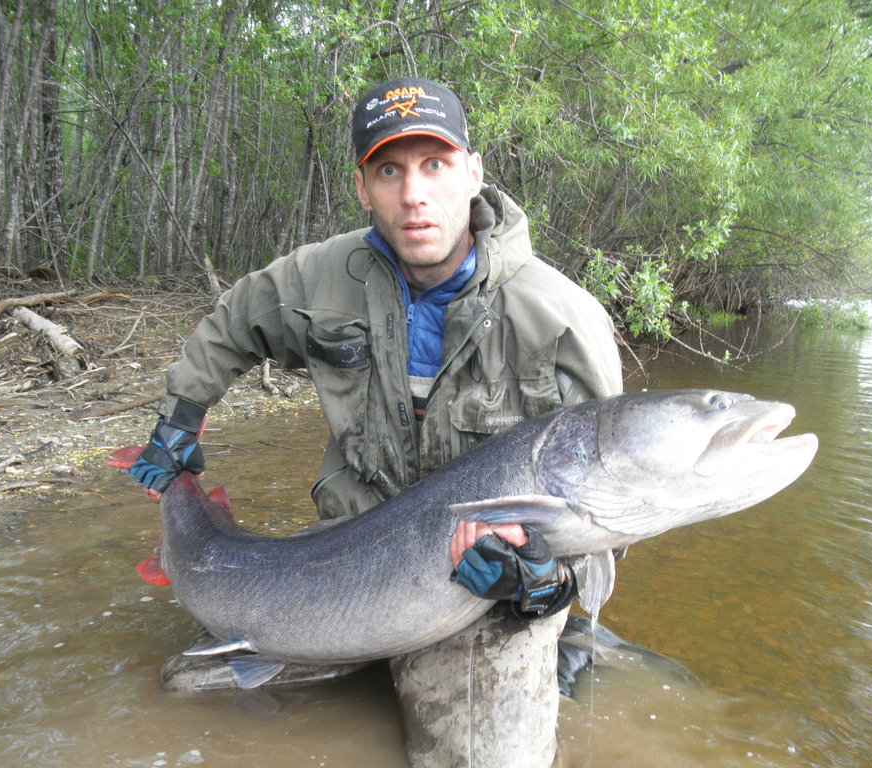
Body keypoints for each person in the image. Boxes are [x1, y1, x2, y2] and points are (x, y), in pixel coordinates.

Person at [128, 77, 623, 768]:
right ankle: (364, 660)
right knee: (180, 688)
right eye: (390, 170)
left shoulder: (564, 317)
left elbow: (613, 500)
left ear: (473, 173)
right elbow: (233, 321)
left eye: (435, 165)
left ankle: (574, 648)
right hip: (341, 559)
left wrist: (551, 590)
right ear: (363, 186)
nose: (414, 193)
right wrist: (181, 418)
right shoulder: (321, 276)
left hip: (480, 594)